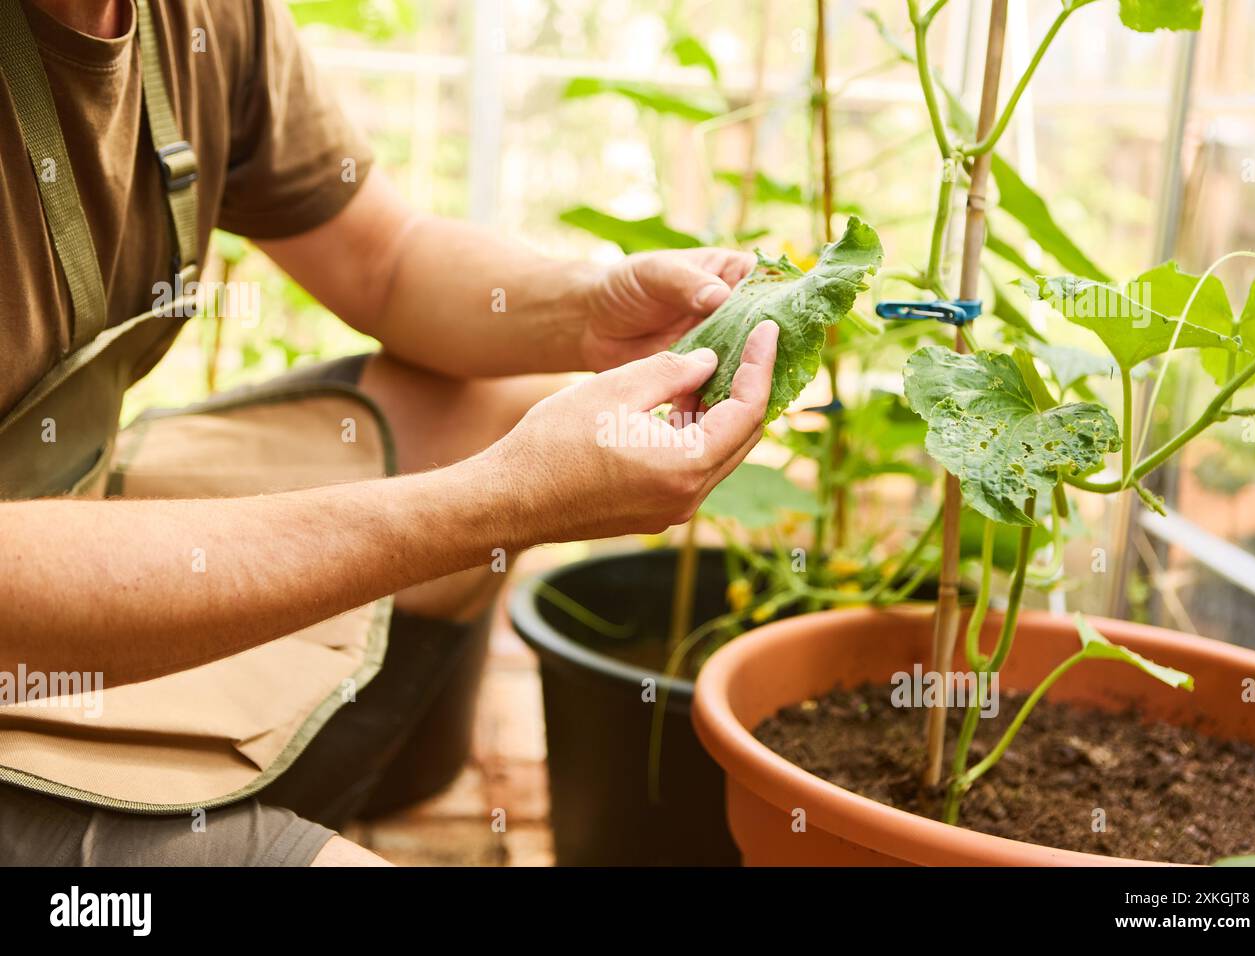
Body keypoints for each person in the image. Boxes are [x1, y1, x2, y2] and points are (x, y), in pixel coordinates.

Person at [0, 0, 777, 865]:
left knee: (493, 404)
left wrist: (589, 310)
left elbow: (384, 256)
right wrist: (498, 502)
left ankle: (268, 797)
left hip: (64, 494)